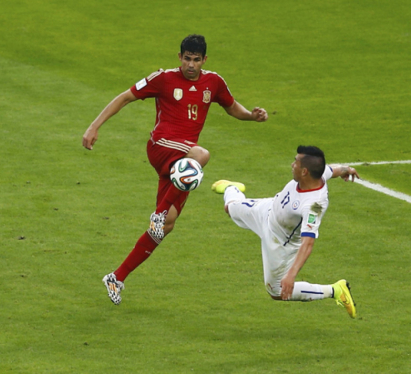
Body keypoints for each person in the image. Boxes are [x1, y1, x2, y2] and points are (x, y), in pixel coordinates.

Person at [82, 34, 268, 305]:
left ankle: (117, 277)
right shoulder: (163, 78)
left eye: (196, 60)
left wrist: (252, 116)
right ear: (179, 57)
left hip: (181, 162)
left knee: (166, 226)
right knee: (201, 155)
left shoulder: (214, 82)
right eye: (186, 59)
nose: (190, 65)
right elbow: (125, 97)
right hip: (161, 146)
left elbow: (232, 107)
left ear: (204, 60)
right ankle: (157, 214)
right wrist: (93, 126)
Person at [211, 145, 359, 318]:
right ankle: (232, 188)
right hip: (268, 210)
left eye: (295, 162)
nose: (291, 165)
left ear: (304, 172)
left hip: (280, 242)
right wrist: (346, 169)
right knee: (229, 208)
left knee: (276, 291)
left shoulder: (314, 205)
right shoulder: (317, 173)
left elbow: (308, 243)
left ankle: (335, 290)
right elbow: (333, 169)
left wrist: (291, 275)